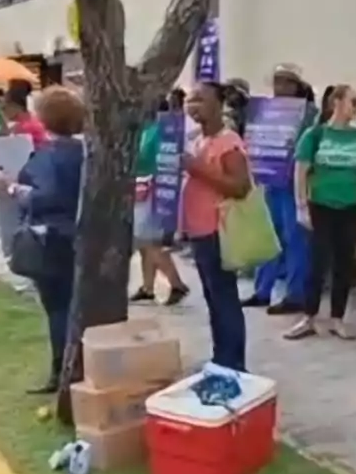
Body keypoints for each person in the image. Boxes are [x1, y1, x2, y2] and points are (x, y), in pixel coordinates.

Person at [11, 87, 87, 394]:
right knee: (72, 305)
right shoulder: (84, 152)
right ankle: (74, 366)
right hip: (80, 235)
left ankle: (62, 370)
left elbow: (45, 196)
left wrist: (13, 189)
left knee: (57, 308)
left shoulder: (49, 155)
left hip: (52, 237)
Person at [286, 84, 356, 341]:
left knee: (344, 264)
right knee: (317, 263)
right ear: (335, 102)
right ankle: (309, 317)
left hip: (350, 207)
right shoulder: (315, 135)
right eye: (351, 101)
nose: (355, 107)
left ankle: (337, 318)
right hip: (321, 206)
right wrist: (301, 205)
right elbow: (300, 171)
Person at [181, 82, 254, 372]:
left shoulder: (228, 142)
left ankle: (234, 362)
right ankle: (221, 355)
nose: (193, 105)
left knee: (224, 298)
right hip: (199, 231)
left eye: (201, 99)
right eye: (190, 100)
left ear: (219, 103)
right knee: (212, 297)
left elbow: (240, 187)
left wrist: (199, 169)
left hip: (218, 231)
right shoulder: (195, 140)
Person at [246, 64, 317, 315]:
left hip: (292, 184)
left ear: (297, 86)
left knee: (295, 237)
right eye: (277, 82)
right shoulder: (264, 111)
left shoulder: (308, 114)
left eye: (287, 82)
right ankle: (262, 290)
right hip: (270, 181)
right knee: (268, 236)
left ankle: (296, 293)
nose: (280, 87)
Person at [0, 79, 49, 281]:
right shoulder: (27, 125)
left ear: (15, 106)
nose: (4, 110)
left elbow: (11, 148)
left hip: (24, 182)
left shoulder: (27, 129)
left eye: (6, 106)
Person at [131, 98, 190, 306]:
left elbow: (148, 158)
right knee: (143, 243)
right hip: (140, 186)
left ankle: (176, 283)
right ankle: (148, 286)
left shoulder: (159, 132)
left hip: (152, 189)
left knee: (148, 240)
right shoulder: (145, 129)